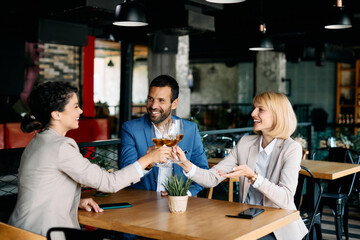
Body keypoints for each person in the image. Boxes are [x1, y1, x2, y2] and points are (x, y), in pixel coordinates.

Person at [8, 81, 170, 237]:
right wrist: (148, 158)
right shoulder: (61, 146)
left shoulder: (37, 140)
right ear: (56, 114)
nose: (80, 112)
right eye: (76, 107)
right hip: (44, 234)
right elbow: (109, 183)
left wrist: (75, 201)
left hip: (19, 231)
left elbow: (41, 187)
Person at [173, 92, 308, 240]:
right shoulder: (246, 142)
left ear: (277, 115)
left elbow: (285, 198)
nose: (253, 113)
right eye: (254, 108)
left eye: (260, 110)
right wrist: (184, 163)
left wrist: (254, 177)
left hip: (277, 228)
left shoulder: (291, 148)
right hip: (246, 221)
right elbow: (211, 178)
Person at [119, 74, 209, 197]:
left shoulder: (190, 130)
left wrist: (184, 194)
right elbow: (125, 173)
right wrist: (149, 162)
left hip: (181, 204)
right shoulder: (131, 129)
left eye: (161, 100)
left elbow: (203, 172)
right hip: (142, 204)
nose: (153, 106)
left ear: (174, 103)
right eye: (150, 99)